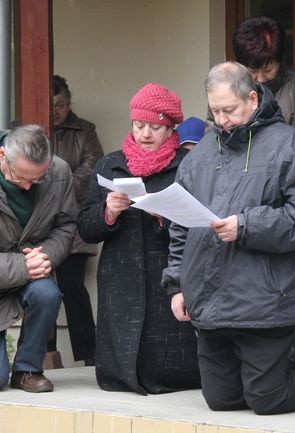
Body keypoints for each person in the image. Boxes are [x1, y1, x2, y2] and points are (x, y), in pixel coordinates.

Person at [161, 62, 295, 415]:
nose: (221, 119)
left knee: (266, 399)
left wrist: (246, 226)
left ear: (253, 99)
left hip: (267, 299)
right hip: (209, 298)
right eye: (214, 110)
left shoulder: (291, 145)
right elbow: (180, 225)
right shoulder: (203, 154)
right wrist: (177, 284)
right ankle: (285, 368)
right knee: (222, 400)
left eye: (229, 110)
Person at [77, 83, 200, 395]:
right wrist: (108, 212)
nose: (145, 133)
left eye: (155, 127)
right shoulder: (110, 164)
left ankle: (171, 378)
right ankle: (120, 377)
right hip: (120, 273)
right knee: (121, 353)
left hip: (168, 272)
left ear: (171, 128)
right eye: (139, 125)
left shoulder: (185, 167)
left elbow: (203, 224)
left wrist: (165, 217)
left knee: (170, 357)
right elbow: (85, 228)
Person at [0, 125, 76, 392]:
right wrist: (23, 266)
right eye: (20, 178)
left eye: (37, 178)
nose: (28, 185)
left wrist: (46, 256)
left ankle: (27, 370)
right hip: (11, 271)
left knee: (47, 293)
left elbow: (66, 225)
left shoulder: (59, 171)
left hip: (34, 270)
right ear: (2, 156)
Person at [228, 16, 295, 174]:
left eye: (268, 70)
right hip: (238, 180)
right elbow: (214, 137)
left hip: (289, 179)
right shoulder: (227, 89)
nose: (261, 78)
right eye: (253, 72)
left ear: (280, 60)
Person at [50, 75, 104, 367]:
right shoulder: (27, 125)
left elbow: (94, 165)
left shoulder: (84, 130)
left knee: (72, 287)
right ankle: (44, 354)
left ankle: (90, 355)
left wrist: (57, 185)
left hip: (73, 221)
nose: (57, 110)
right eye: (52, 105)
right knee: (40, 290)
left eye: (62, 104)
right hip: (36, 224)